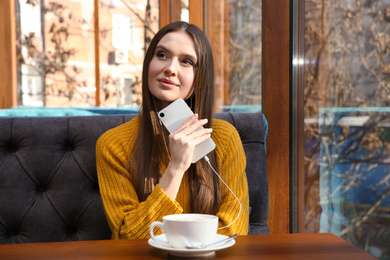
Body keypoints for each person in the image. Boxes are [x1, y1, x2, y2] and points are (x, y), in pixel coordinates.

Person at [96, 21, 249, 240]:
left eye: (186, 61)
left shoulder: (225, 138)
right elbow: (128, 238)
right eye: (162, 55)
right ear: (149, 64)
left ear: (200, 78)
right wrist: (176, 168)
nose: (170, 68)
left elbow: (234, 228)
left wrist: (176, 244)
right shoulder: (113, 145)